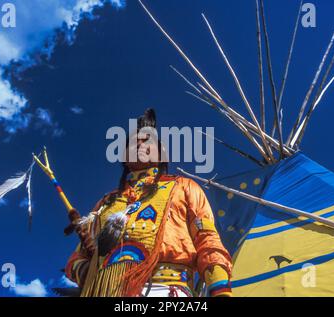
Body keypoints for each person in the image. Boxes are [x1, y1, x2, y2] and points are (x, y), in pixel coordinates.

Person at [65, 108, 232, 297]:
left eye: (147, 141)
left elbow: (207, 239)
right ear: (125, 158)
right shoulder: (106, 202)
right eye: (133, 143)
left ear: (161, 153)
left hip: (165, 289)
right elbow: (76, 258)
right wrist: (86, 271)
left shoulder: (184, 187)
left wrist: (220, 290)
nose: (139, 144)